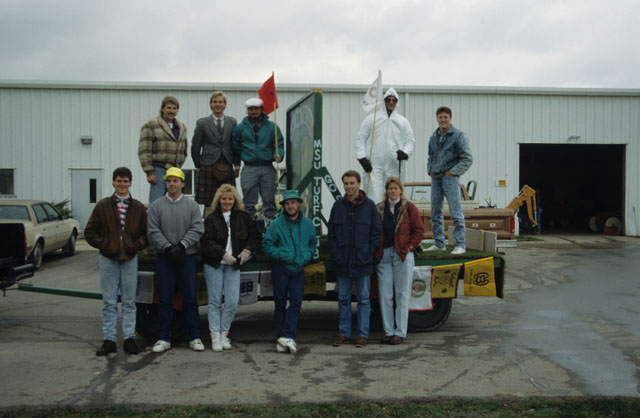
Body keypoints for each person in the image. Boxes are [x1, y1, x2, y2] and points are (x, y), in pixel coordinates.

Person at [85, 167, 148, 356]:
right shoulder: (103, 206)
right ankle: (109, 340)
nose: (122, 184)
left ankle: (129, 339)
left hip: (129, 259)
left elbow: (146, 235)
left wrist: (134, 245)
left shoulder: (138, 207)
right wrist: (106, 245)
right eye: (119, 181)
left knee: (129, 301)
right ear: (113, 182)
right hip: (108, 259)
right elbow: (89, 232)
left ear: (130, 183)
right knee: (109, 302)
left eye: (125, 181)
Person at [147, 167, 205, 353]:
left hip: (186, 257)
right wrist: (168, 247)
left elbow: (197, 228)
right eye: (169, 180)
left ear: (182, 184)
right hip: (165, 258)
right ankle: (164, 338)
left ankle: (194, 337)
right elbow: (153, 230)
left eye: (175, 180)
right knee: (165, 298)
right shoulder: (157, 206)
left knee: (190, 298)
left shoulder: (192, 206)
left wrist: (181, 246)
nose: (172, 184)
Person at [200, 184, 260, 352]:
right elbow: (206, 241)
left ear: (235, 200)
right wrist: (222, 254)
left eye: (230, 199)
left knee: (232, 301)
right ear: (218, 201)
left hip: (234, 265)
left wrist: (247, 250)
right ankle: (215, 335)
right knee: (214, 301)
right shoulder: (211, 219)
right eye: (224, 199)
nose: (227, 201)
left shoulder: (243, 217)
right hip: (215, 264)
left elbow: (255, 235)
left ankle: (224, 332)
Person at [328, 170, 382, 348]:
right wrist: (336, 253)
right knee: (343, 298)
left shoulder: (369, 206)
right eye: (346, 183)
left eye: (352, 183)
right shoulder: (338, 206)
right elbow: (332, 234)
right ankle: (344, 333)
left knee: (364, 299)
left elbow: (376, 233)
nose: (349, 187)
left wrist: (367, 252)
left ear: (359, 184)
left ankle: (362, 335)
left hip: (362, 261)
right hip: (342, 261)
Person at [262, 190, 316, 354]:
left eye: (293, 202)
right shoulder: (277, 224)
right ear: (284, 206)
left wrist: (306, 256)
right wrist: (282, 254)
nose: (290, 206)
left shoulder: (308, 224)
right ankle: (284, 336)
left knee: (296, 303)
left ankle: (286, 336)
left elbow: (312, 244)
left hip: (299, 268)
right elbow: (267, 244)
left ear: (299, 204)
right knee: (279, 303)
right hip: (281, 267)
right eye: (287, 203)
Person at [374, 177, 424, 345]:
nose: (393, 191)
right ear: (386, 191)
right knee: (385, 295)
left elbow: (418, 230)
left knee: (402, 294)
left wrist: (410, 247)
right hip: (384, 256)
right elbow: (374, 230)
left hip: (403, 254)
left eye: (396, 188)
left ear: (400, 191)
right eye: (390, 188)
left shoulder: (409, 208)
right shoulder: (379, 209)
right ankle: (388, 331)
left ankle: (400, 332)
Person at [354, 87, 415, 203]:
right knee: (374, 195)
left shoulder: (402, 122)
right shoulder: (373, 118)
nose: (391, 102)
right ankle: (374, 220)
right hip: (373, 165)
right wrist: (362, 158)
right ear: (384, 101)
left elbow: (410, 141)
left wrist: (405, 153)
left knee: (393, 196)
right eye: (388, 99)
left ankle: (391, 220)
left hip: (393, 165)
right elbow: (360, 138)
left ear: (397, 102)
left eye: (394, 100)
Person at [426, 106, 473, 255]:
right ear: (437, 119)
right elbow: (430, 156)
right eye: (440, 117)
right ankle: (439, 243)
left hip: (450, 179)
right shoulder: (433, 137)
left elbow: (467, 158)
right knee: (435, 212)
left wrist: (453, 172)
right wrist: (430, 169)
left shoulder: (459, 136)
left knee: (456, 212)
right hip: (436, 178)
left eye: (445, 117)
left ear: (450, 118)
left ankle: (460, 244)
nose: (443, 120)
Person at [231, 98, 284, 222]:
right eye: (250, 109)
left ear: (262, 109)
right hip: (249, 167)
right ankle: (249, 222)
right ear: (247, 111)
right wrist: (237, 166)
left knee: (269, 198)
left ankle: (269, 222)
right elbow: (235, 148)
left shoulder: (272, 127)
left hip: (267, 167)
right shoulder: (240, 128)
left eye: (256, 109)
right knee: (248, 197)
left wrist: (279, 154)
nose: (253, 112)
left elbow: (279, 144)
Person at [191, 91, 239, 217]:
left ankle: (228, 223)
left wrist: (237, 165)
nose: (218, 104)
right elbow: (195, 146)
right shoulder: (202, 123)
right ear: (210, 105)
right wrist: (199, 165)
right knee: (209, 201)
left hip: (227, 164)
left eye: (220, 102)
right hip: (208, 165)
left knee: (228, 197)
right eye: (215, 102)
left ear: (225, 105)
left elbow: (236, 145)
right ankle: (208, 225)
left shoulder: (232, 122)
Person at [138, 95, 188, 204]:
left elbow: (184, 149)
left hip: (175, 171)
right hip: (158, 171)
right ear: (162, 109)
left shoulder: (182, 127)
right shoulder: (151, 125)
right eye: (169, 108)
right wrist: (149, 172)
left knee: (174, 203)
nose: (172, 111)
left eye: (174, 108)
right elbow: (144, 150)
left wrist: (179, 166)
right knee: (156, 204)